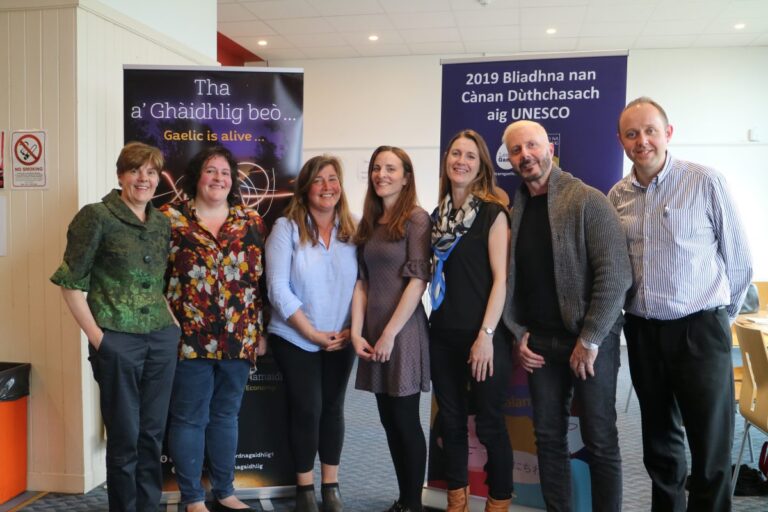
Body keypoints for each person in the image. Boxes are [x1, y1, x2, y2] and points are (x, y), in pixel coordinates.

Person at [608, 97, 753, 512]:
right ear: (620, 140)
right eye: (632, 134)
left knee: (710, 447)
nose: (642, 141)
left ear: (668, 133)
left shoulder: (705, 181)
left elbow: (739, 263)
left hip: (700, 330)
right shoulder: (616, 195)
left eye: (650, 130)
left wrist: (715, 321)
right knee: (660, 443)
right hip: (643, 332)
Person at [501, 120, 632, 512]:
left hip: (591, 342)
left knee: (600, 439)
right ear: (509, 160)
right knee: (548, 439)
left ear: (550, 150)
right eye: (516, 151)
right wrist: (516, 331)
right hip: (540, 345)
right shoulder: (517, 208)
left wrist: (590, 339)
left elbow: (616, 274)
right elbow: (513, 281)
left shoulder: (587, 200)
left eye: (532, 146)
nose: (525, 155)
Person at [50, 142, 181, 512]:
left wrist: (171, 326)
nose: (144, 178)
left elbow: (156, 282)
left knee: (153, 435)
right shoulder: (96, 217)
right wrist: (100, 341)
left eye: (152, 172)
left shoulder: (160, 223)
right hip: (116, 339)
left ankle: (149, 507)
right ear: (121, 175)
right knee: (125, 437)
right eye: (136, 170)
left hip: (159, 337)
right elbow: (70, 283)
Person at [161, 146, 267, 512]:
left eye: (225, 172)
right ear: (196, 176)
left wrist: (261, 330)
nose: (219, 178)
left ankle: (225, 491)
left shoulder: (250, 221)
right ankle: (192, 498)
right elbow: (154, 280)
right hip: (189, 339)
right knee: (190, 417)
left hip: (239, 338)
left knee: (225, 416)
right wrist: (171, 325)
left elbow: (261, 282)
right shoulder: (170, 220)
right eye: (211, 170)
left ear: (233, 180)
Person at [265, 155, 358, 512]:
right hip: (296, 336)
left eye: (333, 179)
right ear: (305, 188)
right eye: (318, 180)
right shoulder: (286, 228)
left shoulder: (353, 229)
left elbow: (362, 285)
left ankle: (330, 485)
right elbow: (277, 288)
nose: (327, 187)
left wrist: (353, 329)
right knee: (308, 408)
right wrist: (313, 333)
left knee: (333, 409)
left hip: (342, 337)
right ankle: (305, 489)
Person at [428, 129, 513, 512]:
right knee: (451, 422)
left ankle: (498, 504)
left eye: (470, 156)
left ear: (481, 167)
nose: (461, 161)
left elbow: (501, 280)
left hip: (484, 338)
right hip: (442, 333)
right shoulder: (438, 217)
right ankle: (457, 504)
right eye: (456, 154)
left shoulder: (493, 213)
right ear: (447, 160)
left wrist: (486, 336)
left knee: (491, 424)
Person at [350, 146, 431, 512]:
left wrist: (389, 334)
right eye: (376, 168)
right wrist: (357, 332)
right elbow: (363, 282)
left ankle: (413, 503)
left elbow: (418, 281)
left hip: (403, 332)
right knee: (388, 421)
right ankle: (403, 499)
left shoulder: (415, 219)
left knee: (405, 420)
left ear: (406, 176)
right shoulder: (369, 223)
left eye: (390, 168)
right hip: (374, 332)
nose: (381, 174)